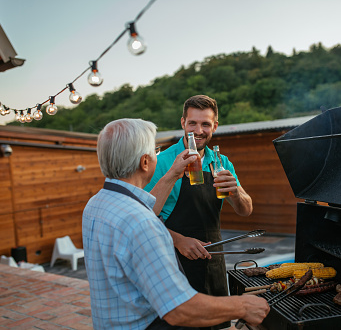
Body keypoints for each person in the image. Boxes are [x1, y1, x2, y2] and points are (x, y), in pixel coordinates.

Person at [82, 118, 269, 330]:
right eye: (154, 151)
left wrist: (174, 174)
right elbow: (179, 309)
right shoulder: (142, 222)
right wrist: (244, 306)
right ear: (145, 162)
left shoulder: (96, 204)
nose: (157, 155)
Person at [144, 95, 253, 330]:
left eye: (205, 124)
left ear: (215, 126)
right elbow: (143, 215)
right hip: (175, 263)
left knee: (217, 324)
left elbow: (246, 210)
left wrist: (235, 192)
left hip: (213, 257)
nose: (198, 130)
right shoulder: (162, 161)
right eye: (193, 123)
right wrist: (178, 240)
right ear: (183, 122)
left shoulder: (221, 161)